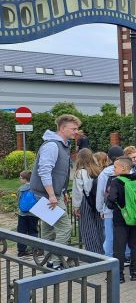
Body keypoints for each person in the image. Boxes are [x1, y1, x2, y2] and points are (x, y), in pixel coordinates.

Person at [30, 114, 81, 270]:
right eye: (73, 129)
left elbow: (59, 173)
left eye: (77, 129)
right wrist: (52, 195)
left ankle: (50, 262)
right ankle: (56, 262)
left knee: (48, 229)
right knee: (65, 228)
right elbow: (44, 171)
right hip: (46, 195)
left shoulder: (61, 145)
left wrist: (62, 191)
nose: (76, 132)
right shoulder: (52, 146)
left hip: (49, 194)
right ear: (62, 128)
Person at [106, 156, 136, 283]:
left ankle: (119, 275)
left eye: (115, 167)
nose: (113, 169)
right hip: (134, 218)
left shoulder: (116, 182)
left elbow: (111, 200)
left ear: (123, 168)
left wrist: (109, 203)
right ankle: (134, 273)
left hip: (120, 219)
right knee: (134, 246)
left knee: (119, 248)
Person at [72, 148, 104, 254]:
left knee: (88, 229)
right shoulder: (98, 171)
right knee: (99, 226)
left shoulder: (80, 173)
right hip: (97, 200)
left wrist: (76, 207)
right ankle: (103, 251)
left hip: (85, 201)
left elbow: (78, 192)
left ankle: (93, 254)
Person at [96, 145, 125, 259]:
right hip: (124, 209)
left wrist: (100, 209)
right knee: (125, 233)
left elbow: (100, 193)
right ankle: (126, 255)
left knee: (109, 235)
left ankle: (109, 257)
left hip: (109, 208)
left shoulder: (104, 173)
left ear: (109, 158)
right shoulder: (127, 170)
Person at [16, 171, 38, 257]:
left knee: (21, 232)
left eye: (21, 178)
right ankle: (34, 249)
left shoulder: (20, 189)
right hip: (33, 214)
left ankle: (21, 251)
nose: (20, 179)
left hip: (22, 214)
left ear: (25, 179)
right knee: (33, 231)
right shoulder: (35, 188)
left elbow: (18, 200)